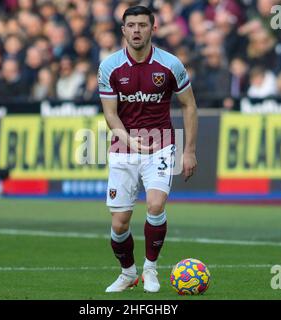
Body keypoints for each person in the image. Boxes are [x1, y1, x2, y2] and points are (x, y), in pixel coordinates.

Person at [98, 6, 198, 293]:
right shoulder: (110, 67)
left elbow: (189, 105)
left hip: (161, 145)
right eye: (131, 25)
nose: (137, 30)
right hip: (123, 148)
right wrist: (129, 140)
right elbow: (110, 114)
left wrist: (189, 151)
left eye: (143, 25)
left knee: (155, 205)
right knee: (119, 224)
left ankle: (150, 269)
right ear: (123, 30)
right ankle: (128, 273)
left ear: (153, 28)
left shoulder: (170, 65)